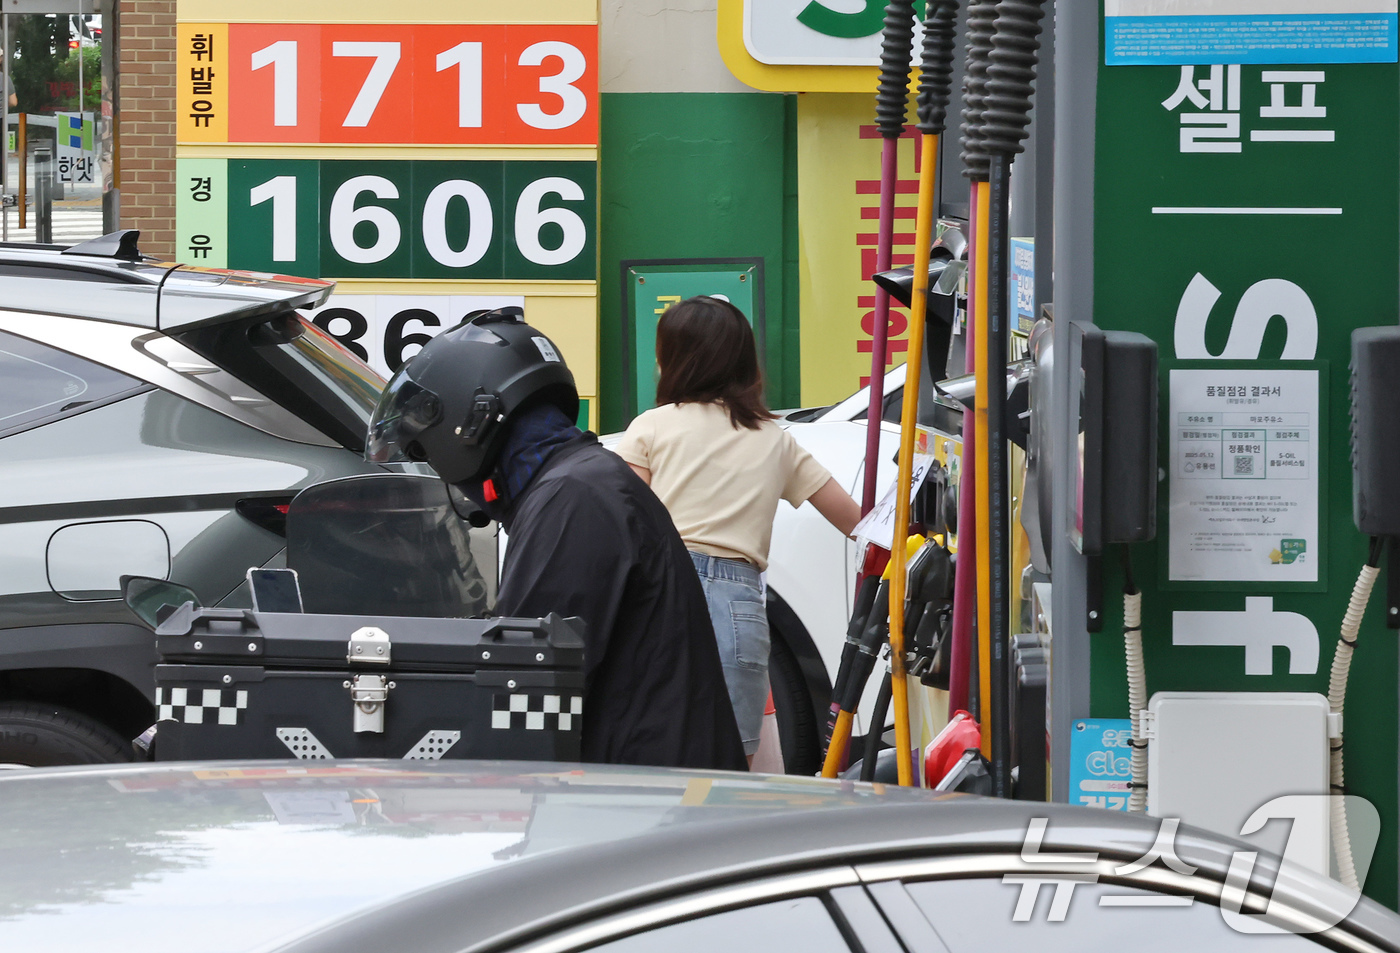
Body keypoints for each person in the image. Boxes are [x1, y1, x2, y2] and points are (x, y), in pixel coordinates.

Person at [367, 307, 746, 771]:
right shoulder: (579, 480)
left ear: (472, 420)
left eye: (426, 448)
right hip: (646, 779)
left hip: (643, 793)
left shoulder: (574, 499)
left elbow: (520, 688)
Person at [617, 296, 861, 764]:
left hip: (665, 594)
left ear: (672, 360)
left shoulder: (650, 427)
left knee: (661, 747)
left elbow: (626, 521)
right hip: (739, 602)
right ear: (744, 361)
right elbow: (857, 522)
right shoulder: (774, 440)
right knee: (730, 756)